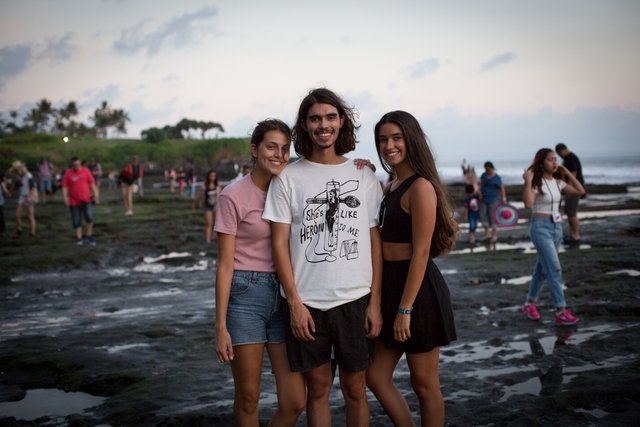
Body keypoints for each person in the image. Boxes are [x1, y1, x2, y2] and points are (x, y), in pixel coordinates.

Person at [263, 88, 383, 426]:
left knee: (355, 388)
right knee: (317, 389)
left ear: (341, 122)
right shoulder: (288, 178)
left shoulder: (362, 175)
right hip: (308, 303)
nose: (323, 125)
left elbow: (375, 244)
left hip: (354, 298)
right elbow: (279, 246)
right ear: (304, 125)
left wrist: (375, 303)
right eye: (315, 118)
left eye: (330, 117)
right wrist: (295, 303)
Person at [366, 111, 458, 427]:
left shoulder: (421, 187)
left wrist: (405, 309)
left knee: (424, 383)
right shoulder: (392, 184)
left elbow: (421, 253)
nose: (389, 145)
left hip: (417, 294)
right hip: (390, 286)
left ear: (410, 139)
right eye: (382, 139)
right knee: (376, 377)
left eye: (396, 138)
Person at [214, 119, 305, 426]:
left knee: (295, 401)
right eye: (271, 147)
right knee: (249, 396)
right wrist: (220, 326)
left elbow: (326, 173)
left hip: (285, 295)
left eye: (284, 148)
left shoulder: (292, 185)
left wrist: (361, 167)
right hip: (245, 296)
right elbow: (225, 264)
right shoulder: (233, 196)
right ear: (254, 150)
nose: (279, 154)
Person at [522, 148, 585, 326]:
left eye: (556, 160)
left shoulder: (558, 182)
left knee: (542, 269)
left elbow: (580, 191)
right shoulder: (536, 183)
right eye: (551, 160)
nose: (555, 163)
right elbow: (528, 203)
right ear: (542, 162)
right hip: (540, 228)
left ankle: (529, 303)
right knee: (554, 268)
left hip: (556, 228)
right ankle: (561, 310)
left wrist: (568, 174)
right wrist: (527, 181)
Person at [62, 157, 100, 246]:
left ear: (80, 164)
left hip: (86, 199)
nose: (76, 167)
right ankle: (79, 238)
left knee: (89, 217)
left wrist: (96, 196)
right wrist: (65, 198)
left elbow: (92, 184)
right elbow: (64, 187)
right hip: (74, 201)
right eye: (74, 165)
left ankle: (89, 235)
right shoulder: (68, 173)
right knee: (76, 220)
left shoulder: (86, 171)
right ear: (72, 165)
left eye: (78, 165)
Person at [555, 143, 585, 244]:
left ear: (563, 150)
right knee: (568, 212)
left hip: (573, 189)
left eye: (559, 153)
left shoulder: (571, 158)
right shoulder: (567, 159)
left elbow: (573, 174)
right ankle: (573, 233)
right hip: (571, 189)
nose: (559, 156)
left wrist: (568, 188)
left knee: (571, 213)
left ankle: (576, 235)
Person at [478, 161, 506, 242]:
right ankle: (487, 234)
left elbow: (502, 188)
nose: (487, 170)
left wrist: (504, 199)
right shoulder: (483, 175)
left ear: (491, 168)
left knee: (492, 216)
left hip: (494, 199)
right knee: (482, 214)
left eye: (488, 169)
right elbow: (480, 185)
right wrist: (479, 193)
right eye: (485, 169)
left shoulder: (497, 177)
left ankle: (494, 235)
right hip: (483, 198)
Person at [9, 161, 37, 238]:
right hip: (21, 196)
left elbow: (33, 187)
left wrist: (28, 197)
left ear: (20, 168)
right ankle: (19, 230)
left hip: (29, 196)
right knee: (17, 216)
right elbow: (10, 177)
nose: (15, 170)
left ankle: (32, 233)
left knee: (30, 216)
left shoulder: (28, 175)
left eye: (16, 169)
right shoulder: (17, 176)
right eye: (15, 169)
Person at [193, 169, 222, 244]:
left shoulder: (217, 185)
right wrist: (195, 204)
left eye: (214, 176)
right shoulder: (205, 185)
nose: (212, 177)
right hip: (207, 206)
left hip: (216, 206)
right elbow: (200, 195)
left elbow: (221, 195)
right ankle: (208, 240)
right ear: (208, 176)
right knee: (208, 223)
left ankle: (214, 237)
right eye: (211, 175)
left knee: (217, 223)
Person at [0, 172, 10, 237]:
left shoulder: (2, 183)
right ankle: (3, 231)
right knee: (1, 217)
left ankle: (2, 231)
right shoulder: (2, 183)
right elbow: (6, 192)